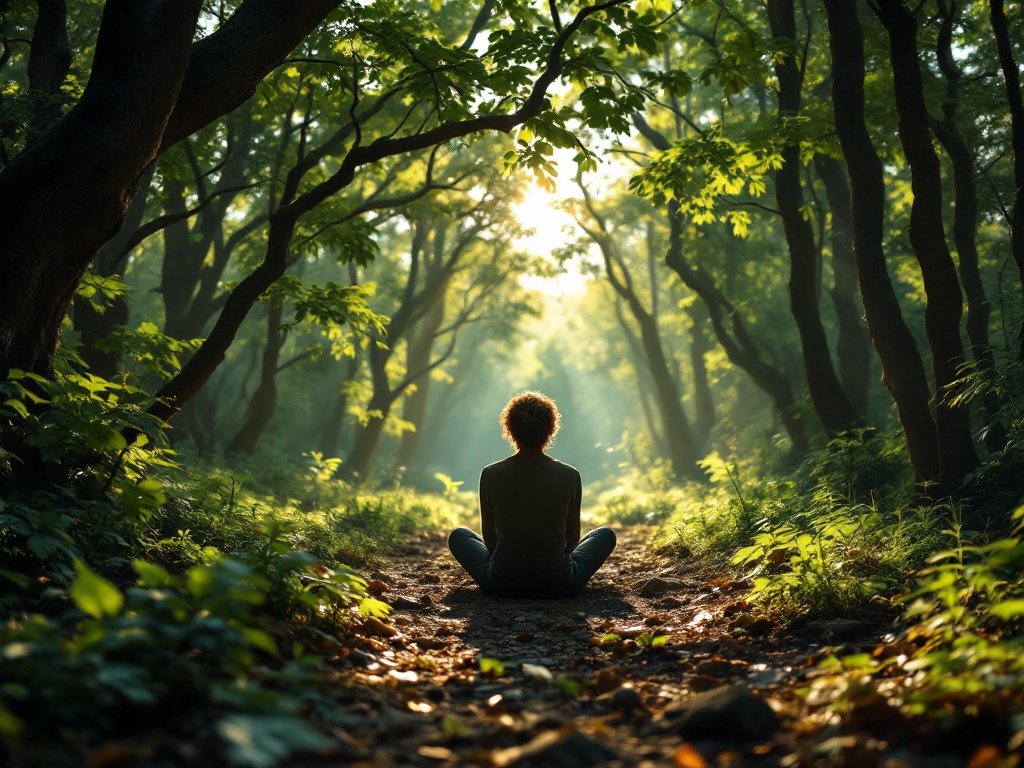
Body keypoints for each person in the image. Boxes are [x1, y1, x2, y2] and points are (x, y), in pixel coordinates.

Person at [447, 391, 616, 598]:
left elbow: (491, 543)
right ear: (551, 429)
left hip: (500, 584)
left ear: (509, 429)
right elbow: (571, 542)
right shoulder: (570, 475)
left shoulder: (490, 474)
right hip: (561, 584)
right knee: (605, 535)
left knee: (459, 535)